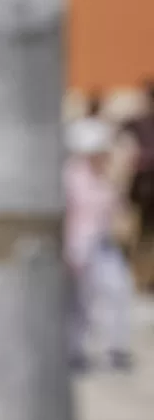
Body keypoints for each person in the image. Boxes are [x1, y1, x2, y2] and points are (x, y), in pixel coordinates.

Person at [65, 116, 136, 372]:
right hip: (78, 247)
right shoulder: (70, 178)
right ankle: (75, 350)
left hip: (103, 244)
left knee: (119, 290)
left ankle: (115, 347)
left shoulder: (104, 177)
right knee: (81, 302)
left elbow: (118, 209)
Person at [125, 79, 154, 292]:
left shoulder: (140, 122)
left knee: (143, 232)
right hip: (144, 185)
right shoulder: (139, 122)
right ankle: (141, 277)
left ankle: (144, 277)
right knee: (141, 231)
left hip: (144, 184)